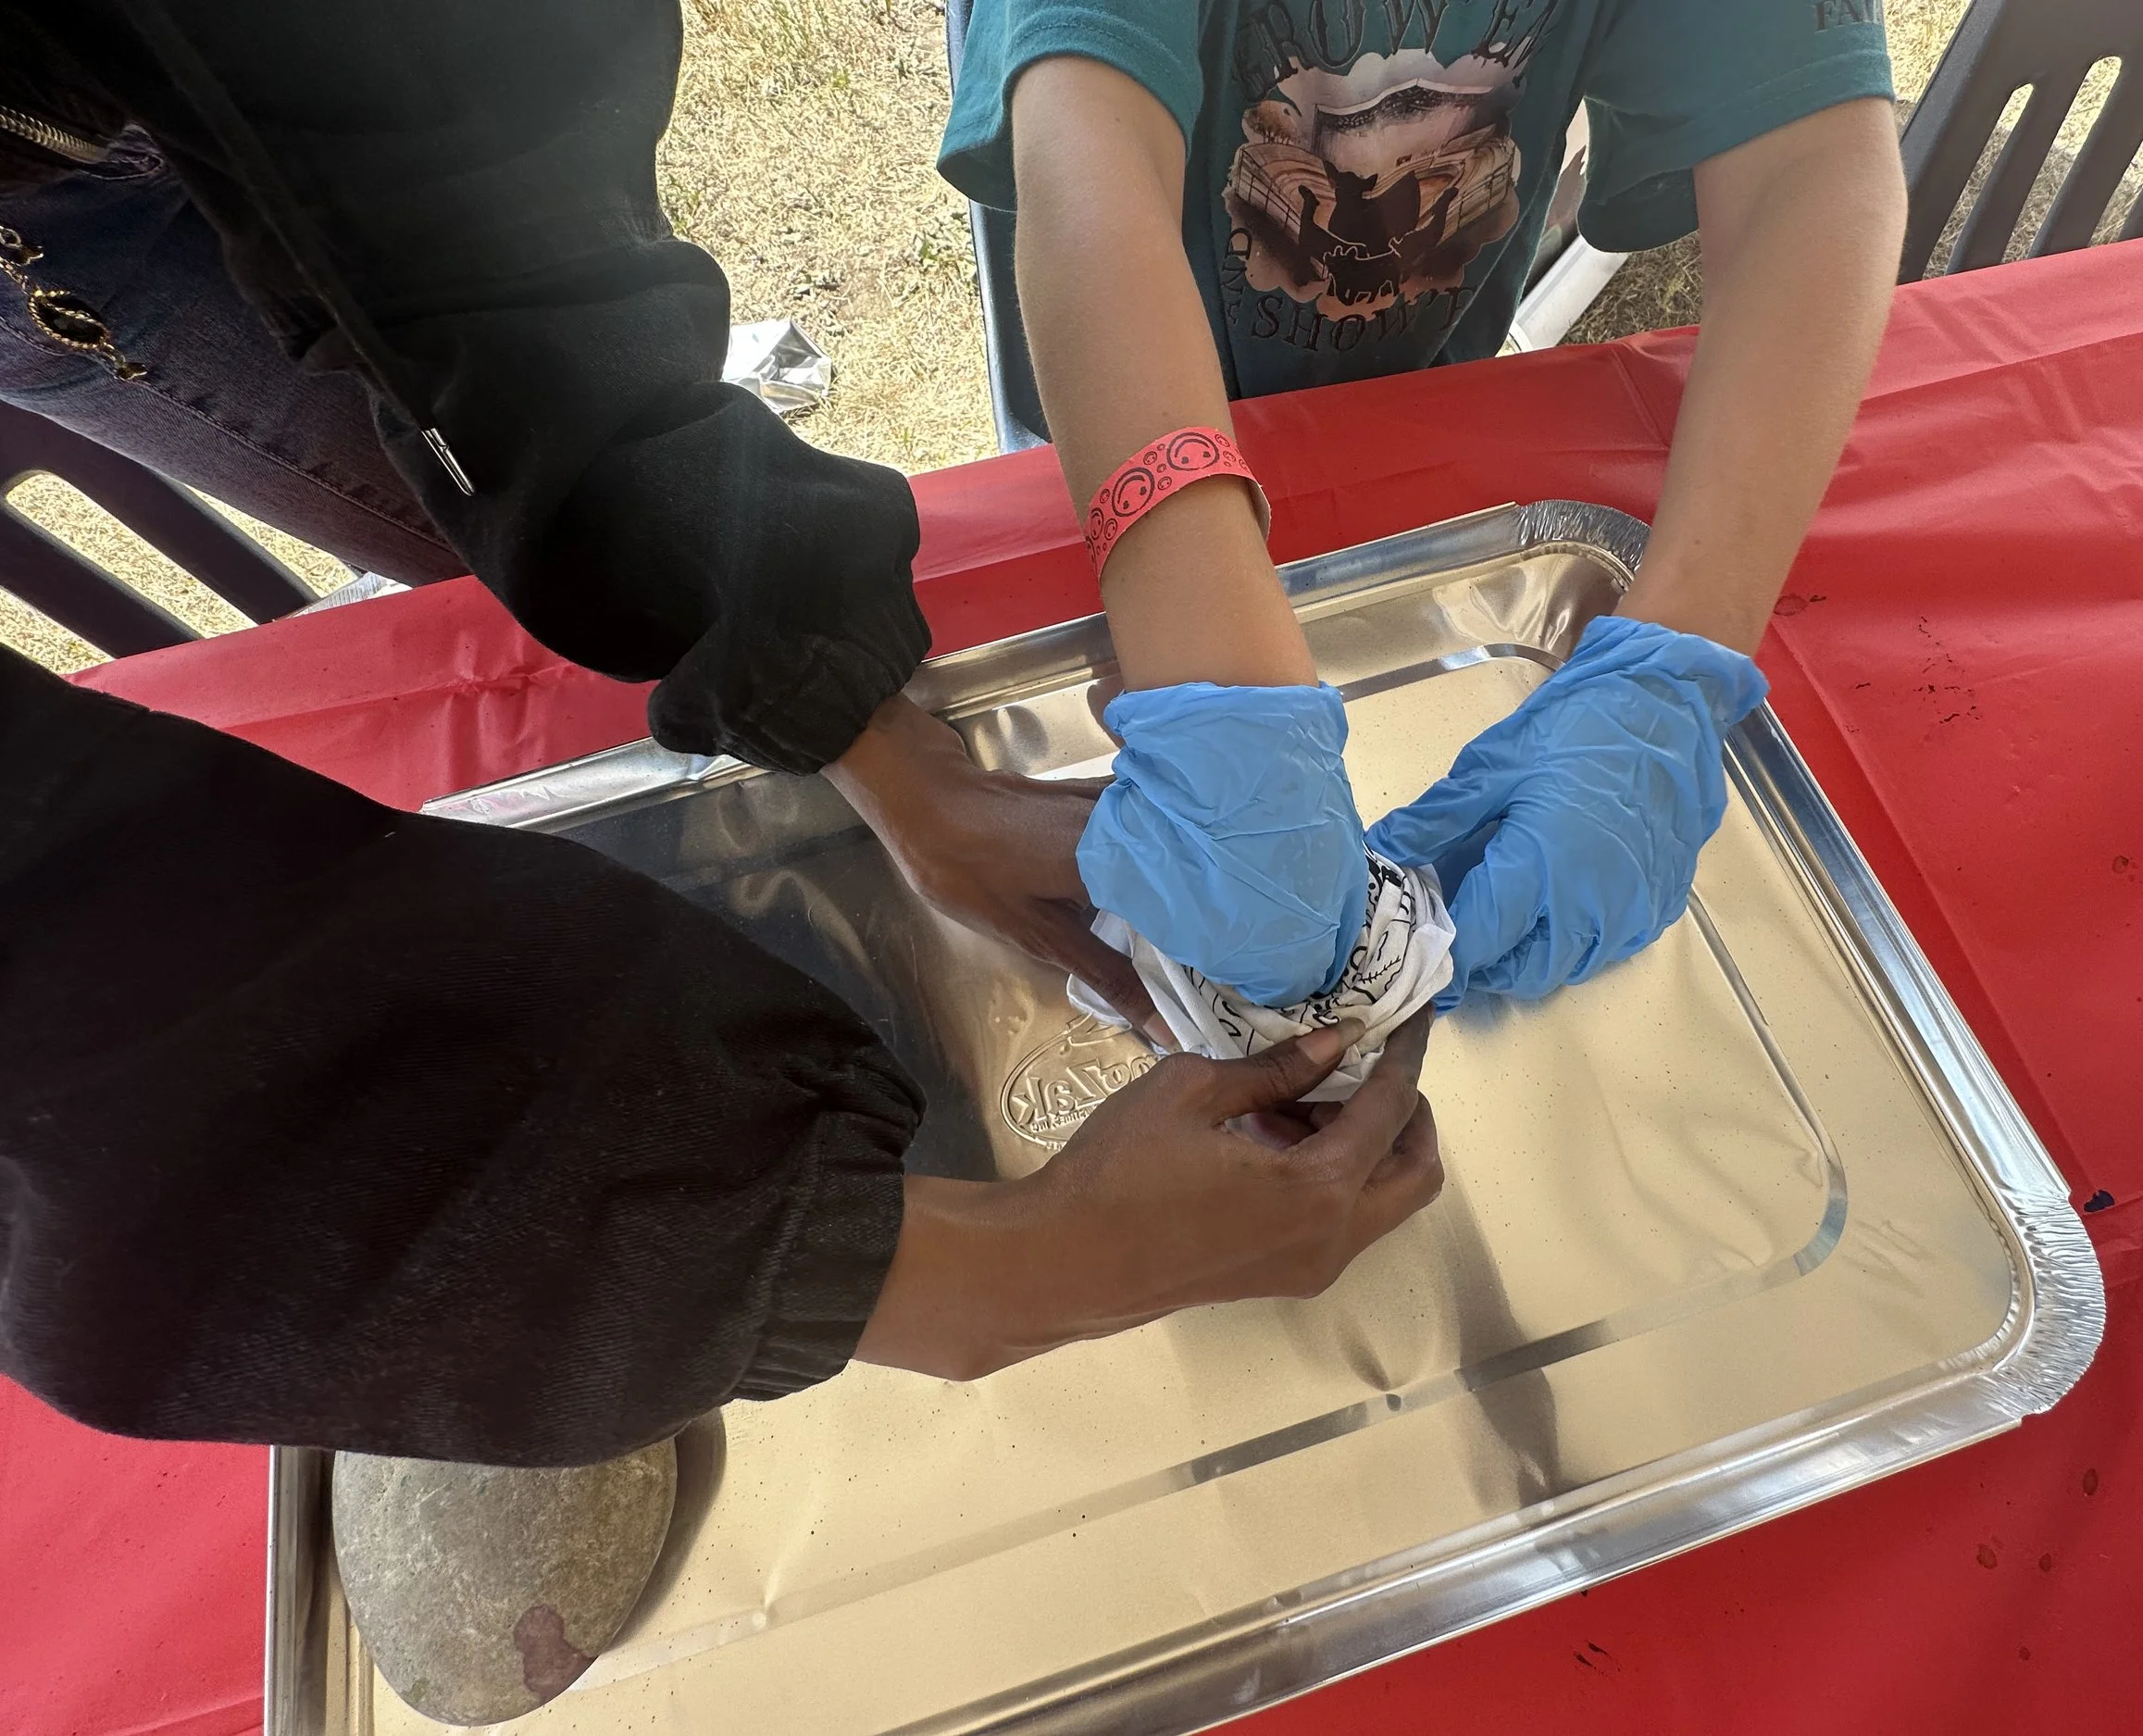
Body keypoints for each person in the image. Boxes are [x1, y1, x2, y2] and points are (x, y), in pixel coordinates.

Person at [0, 0, 1446, 1469]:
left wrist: (856, 724)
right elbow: (82, 1020)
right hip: (51, 217)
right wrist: (939, 1273)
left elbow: (468, 216)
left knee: (466, 435)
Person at [941, 0, 1907, 1005]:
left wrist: (1676, 660)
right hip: (1113, 410)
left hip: (1412, 400)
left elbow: (1811, 161)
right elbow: (1090, 156)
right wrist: (1214, 678)